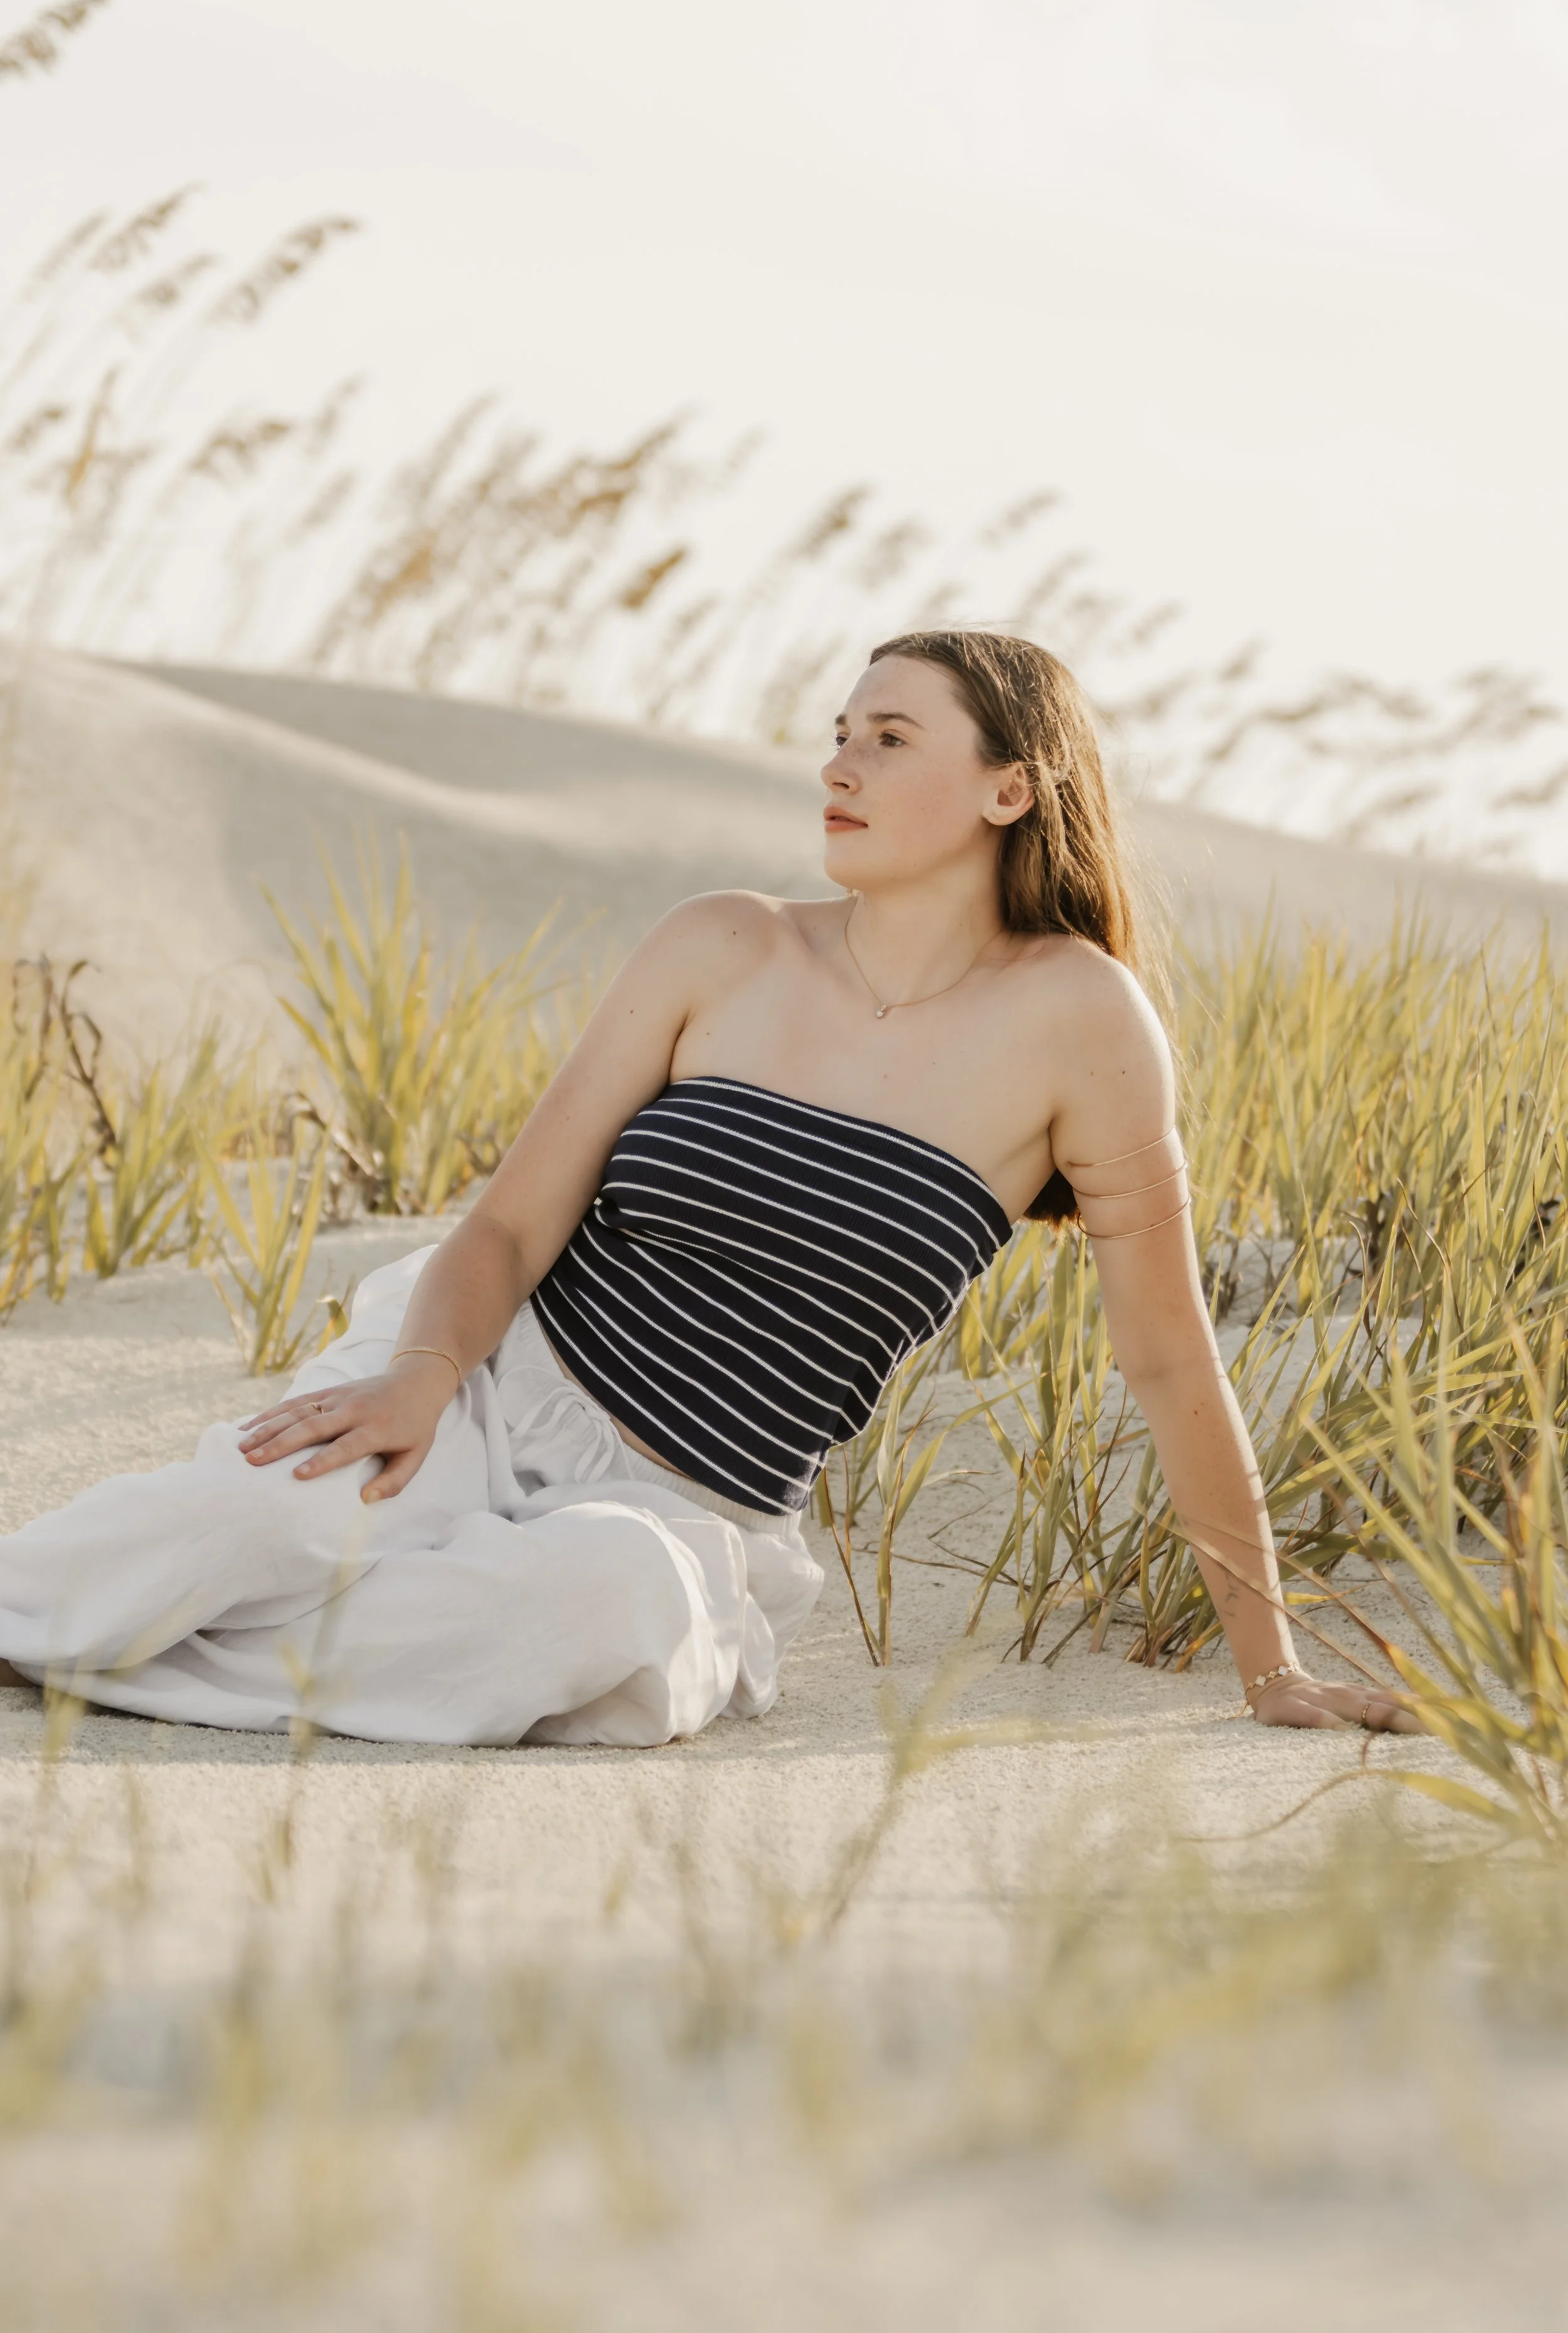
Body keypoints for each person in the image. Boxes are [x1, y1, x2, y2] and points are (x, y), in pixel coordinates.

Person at [0, 630, 1414, 1745]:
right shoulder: (724, 944)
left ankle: (116, 1654)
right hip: (488, 1376)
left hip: (683, 1509)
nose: (839, 765)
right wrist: (423, 1373)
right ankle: (104, 1619)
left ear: (1009, 786)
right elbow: (508, 1216)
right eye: (838, 735)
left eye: (889, 737)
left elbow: (1169, 1362)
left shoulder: (1083, 1023)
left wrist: (1267, 1659)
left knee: (589, 1611)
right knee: (256, 1516)